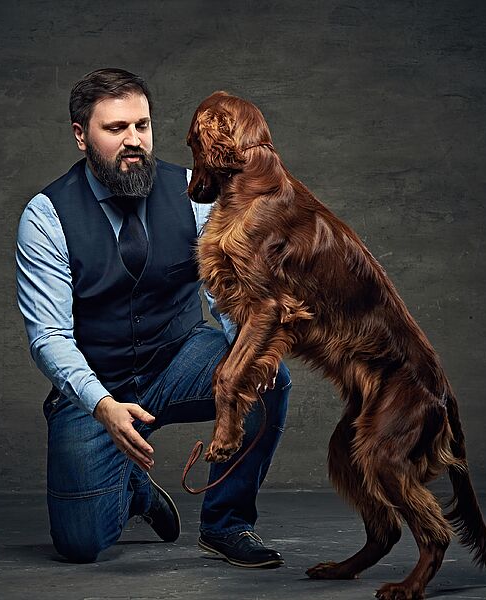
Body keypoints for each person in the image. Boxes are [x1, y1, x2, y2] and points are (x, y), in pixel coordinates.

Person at [15, 68, 291, 567]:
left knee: (268, 375)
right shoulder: (46, 215)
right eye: (116, 129)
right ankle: (136, 491)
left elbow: (225, 295)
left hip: (176, 362)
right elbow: (49, 336)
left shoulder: (193, 193)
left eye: (141, 126)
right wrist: (102, 405)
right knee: (80, 545)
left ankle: (226, 525)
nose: (133, 141)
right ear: (81, 136)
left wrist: (248, 355)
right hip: (96, 387)